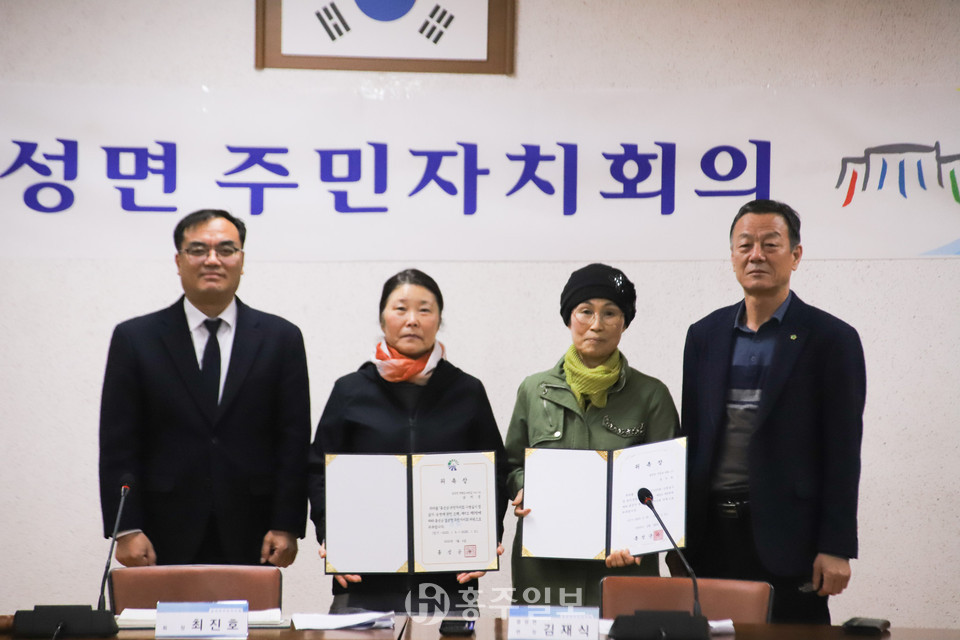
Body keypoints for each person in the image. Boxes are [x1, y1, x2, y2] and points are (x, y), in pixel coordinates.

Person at [680, 199, 866, 624]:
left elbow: (843, 451)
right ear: (732, 256)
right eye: (745, 245)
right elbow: (693, 440)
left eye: (770, 244)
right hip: (711, 538)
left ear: (795, 255)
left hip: (791, 539)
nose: (756, 255)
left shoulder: (831, 339)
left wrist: (837, 545)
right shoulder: (704, 335)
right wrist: (681, 540)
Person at [98, 209, 310, 567]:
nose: (213, 260)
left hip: (253, 529)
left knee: (249, 610)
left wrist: (287, 524)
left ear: (241, 261)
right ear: (178, 261)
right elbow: (119, 441)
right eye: (198, 250)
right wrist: (127, 529)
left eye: (226, 250)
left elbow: (293, 439)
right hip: (160, 530)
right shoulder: (135, 339)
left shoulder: (281, 338)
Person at [308, 269, 508, 615]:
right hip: (363, 576)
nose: (412, 320)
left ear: (439, 320)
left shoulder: (467, 391)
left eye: (424, 309)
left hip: (450, 581)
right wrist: (331, 534)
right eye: (401, 308)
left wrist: (487, 539)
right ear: (382, 318)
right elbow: (318, 471)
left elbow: (495, 472)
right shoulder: (350, 391)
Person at [504, 263, 680, 607]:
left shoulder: (651, 395)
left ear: (624, 323)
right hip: (545, 567)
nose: (596, 324)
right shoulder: (534, 390)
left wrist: (638, 540)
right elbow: (511, 465)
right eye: (585, 311)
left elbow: (666, 484)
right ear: (569, 318)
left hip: (623, 567)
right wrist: (524, 487)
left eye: (610, 313)